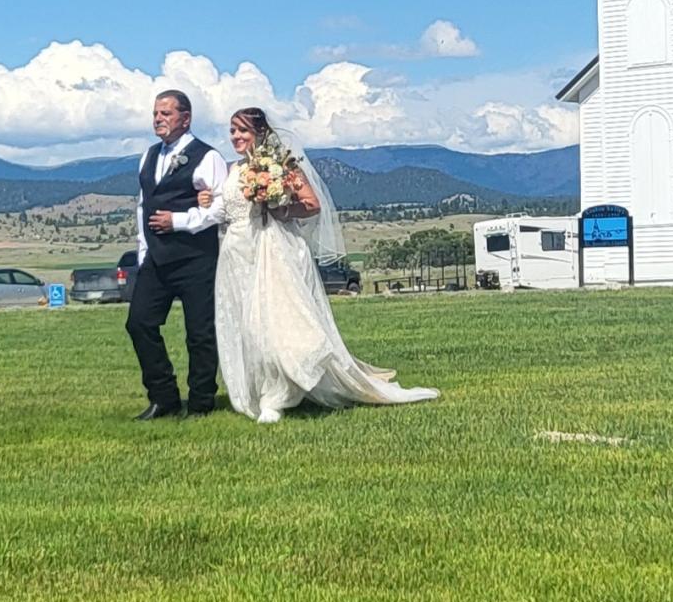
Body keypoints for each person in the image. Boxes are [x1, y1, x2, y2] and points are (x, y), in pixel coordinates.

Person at [203, 107, 439, 423]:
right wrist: (206, 202)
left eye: (242, 130)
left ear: (260, 133)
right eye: (233, 130)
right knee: (247, 326)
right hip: (236, 252)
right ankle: (257, 389)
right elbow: (224, 209)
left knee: (273, 322)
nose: (236, 136)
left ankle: (278, 394)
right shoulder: (232, 170)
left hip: (271, 247)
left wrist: (280, 208)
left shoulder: (281, 164)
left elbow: (311, 205)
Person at [126, 90, 229, 420]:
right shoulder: (148, 156)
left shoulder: (206, 156)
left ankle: (201, 401)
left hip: (195, 258)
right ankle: (163, 396)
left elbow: (221, 207)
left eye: (166, 113)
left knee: (199, 333)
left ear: (185, 118)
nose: (158, 119)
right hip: (156, 259)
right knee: (139, 323)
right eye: (156, 113)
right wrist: (144, 249)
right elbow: (143, 205)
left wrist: (180, 221)